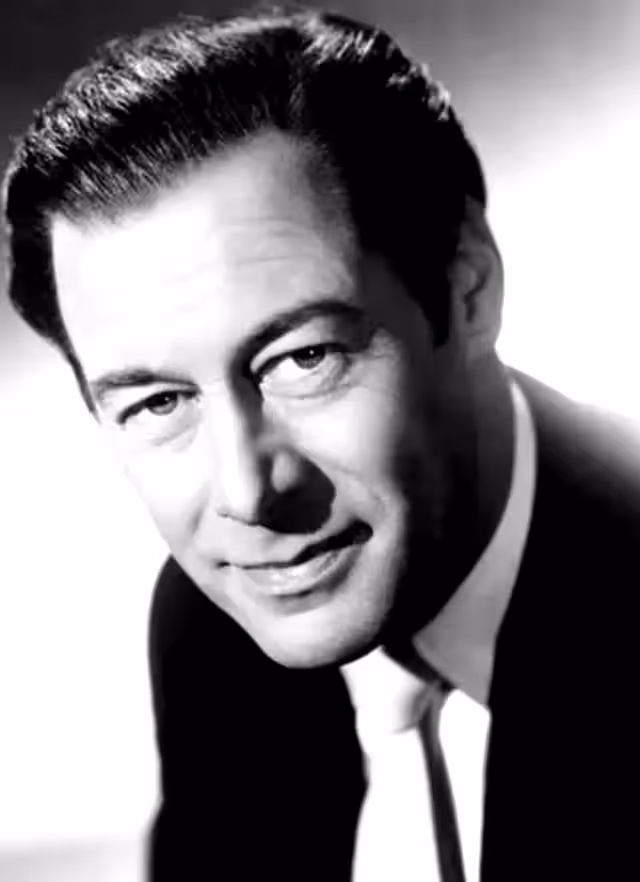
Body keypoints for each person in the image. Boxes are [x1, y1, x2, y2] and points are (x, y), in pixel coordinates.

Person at [3, 6, 638, 881]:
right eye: (158, 403)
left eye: (305, 359)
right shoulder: (213, 632)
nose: (248, 494)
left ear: (468, 290)